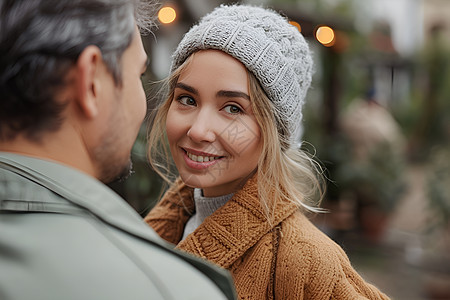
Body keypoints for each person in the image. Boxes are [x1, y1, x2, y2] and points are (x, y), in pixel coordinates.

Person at [145, 4, 390, 299]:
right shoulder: (164, 225)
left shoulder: (306, 262)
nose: (198, 130)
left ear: (276, 131)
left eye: (233, 108)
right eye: (187, 99)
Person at [0, 1, 236, 299]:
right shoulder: (166, 288)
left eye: (232, 108)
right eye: (138, 75)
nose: (199, 131)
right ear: (91, 82)